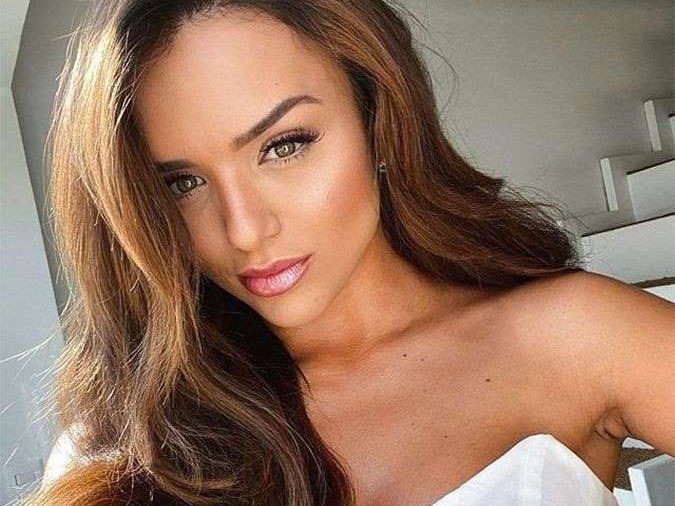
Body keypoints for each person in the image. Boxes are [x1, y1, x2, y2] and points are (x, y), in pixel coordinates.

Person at [25, 1, 674, 505]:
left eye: (284, 146)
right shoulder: (122, 445)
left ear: (378, 121)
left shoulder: (572, 338)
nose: (244, 230)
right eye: (181, 183)